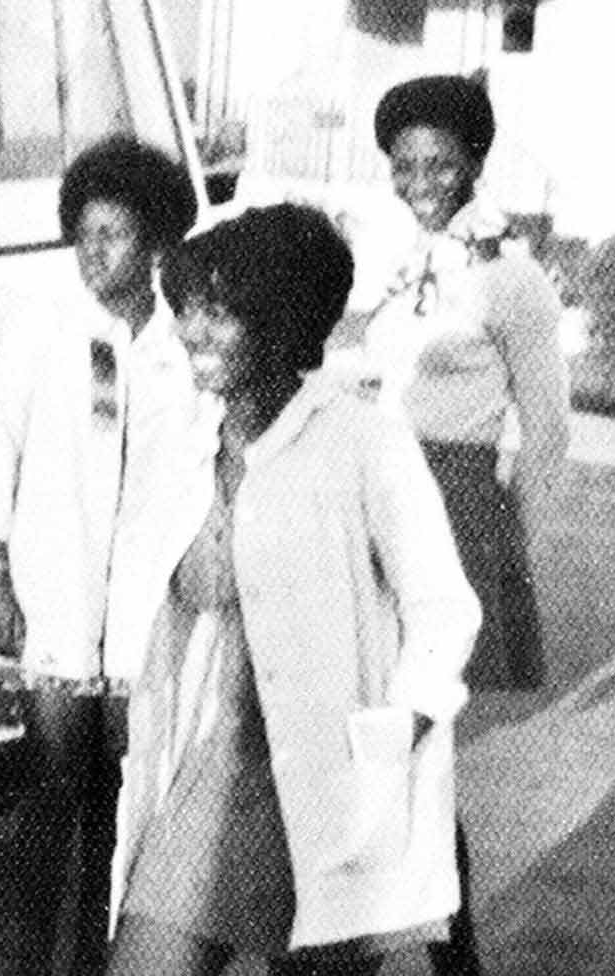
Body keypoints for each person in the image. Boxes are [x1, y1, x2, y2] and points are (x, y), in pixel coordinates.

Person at [108, 203, 481, 976]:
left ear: (279, 323)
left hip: (330, 782)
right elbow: (176, 590)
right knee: (144, 961)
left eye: (220, 314)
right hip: (218, 771)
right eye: (188, 310)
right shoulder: (188, 444)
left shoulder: (362, 439)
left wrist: (394, 735)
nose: (191, 332)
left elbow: (442, 607)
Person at [0, 134, 198, 976]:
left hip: (142, 613)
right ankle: (30, 960)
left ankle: (97, 961)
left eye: (114, 235)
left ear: (158, 242)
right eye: (83, 235)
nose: (92, 254)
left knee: (119, 796)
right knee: (52, 786)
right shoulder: (45, 328)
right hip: (54, 599)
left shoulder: (185, 341)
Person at [362, 73, 571, 976]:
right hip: (384, 507)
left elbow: (551, 429)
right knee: (398, 748)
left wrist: (507, 549)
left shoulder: (511, 278)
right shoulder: (399, 262)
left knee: (427, 746)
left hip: (453, 517)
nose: (420, 181)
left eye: (439, 164)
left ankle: (449, 953)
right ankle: (434, 949)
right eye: (404, 165)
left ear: (475, 163)